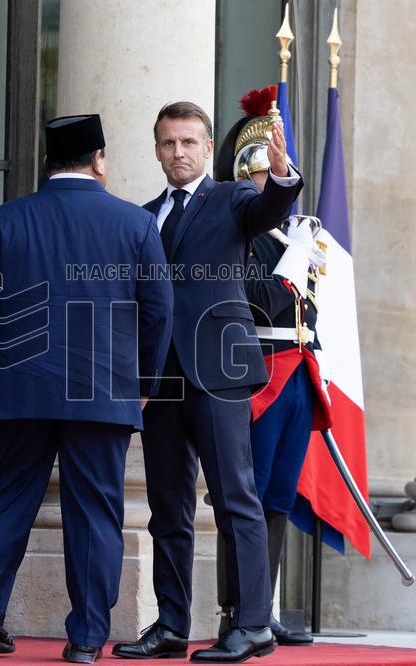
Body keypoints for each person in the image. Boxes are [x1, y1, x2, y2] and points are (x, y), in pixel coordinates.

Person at [0, 114, 173, 664]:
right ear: (98, 159)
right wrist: (143, 382)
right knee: (96, 512)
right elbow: (159, 310)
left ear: (49, 161)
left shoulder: (7, 220)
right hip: (102, 392)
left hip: (21, 388)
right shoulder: (134, 223)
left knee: (7, 499)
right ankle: (85, 639)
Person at [111, 102, 302, 663]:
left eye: (190, 143)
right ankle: (171, 625)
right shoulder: (145, 216)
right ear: (156, 150)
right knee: (168, 505)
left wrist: (282, 175)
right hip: (162, 380)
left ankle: (253, 625)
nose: (179, 153)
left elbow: (269, 209)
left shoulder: (232, 197)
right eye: (169, 144)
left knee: (234, 499)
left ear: (204, 145)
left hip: (219, 370)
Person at [213, 85, 333, 648]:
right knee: (247, 495)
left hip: (298, 372)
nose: (273, 183)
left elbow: (310, 308)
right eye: (264, 172)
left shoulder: (295, 236)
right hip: (258, 370)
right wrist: (291, 263)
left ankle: (268, 606)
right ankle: (236, 608)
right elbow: (256, 299)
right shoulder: (241, 233)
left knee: (280, 496)